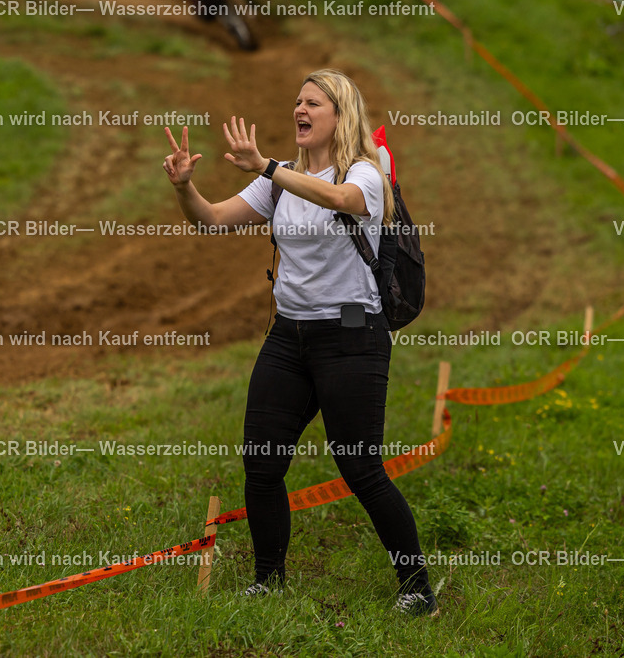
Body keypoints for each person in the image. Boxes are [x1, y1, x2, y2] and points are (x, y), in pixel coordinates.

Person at [161, 68, 439, 616]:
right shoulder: (280, 177)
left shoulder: (366, 171)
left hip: (353, 337)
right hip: (289, 335)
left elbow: (341, 199)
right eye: (296, 101)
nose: (300, 109)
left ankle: (417, 589)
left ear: (340, 115)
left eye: (313, 102)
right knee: (262, 462)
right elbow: (213, 220)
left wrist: (266, 167)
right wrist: (184, 187)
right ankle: (269, 581)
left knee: (360, 468)